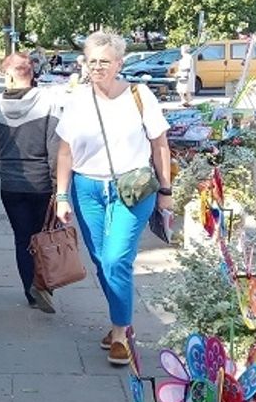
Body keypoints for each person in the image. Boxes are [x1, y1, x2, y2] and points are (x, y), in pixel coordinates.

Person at [54, 31, 173, 365]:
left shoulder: (140, 95)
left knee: (115, 260)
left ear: (120, 63)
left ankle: (121, 333)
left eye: (104, 62)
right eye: (92, 61)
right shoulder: (77, 98)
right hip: (87, 189)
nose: (97, 67)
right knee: (99, 261)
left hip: (133, 188)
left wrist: (166, 191)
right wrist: (61, 195)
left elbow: (160, 145)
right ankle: (122, 319)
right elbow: (65, 152)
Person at [0, 52, 60, 311]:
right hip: (41, 183)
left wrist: (5, 171)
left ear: (9, 75)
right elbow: (55, 148)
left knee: (22, 238)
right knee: (43, 236)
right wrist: (56, 186)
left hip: (11, 183)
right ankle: (45, 286)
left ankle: (31, 290)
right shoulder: (48, 102)